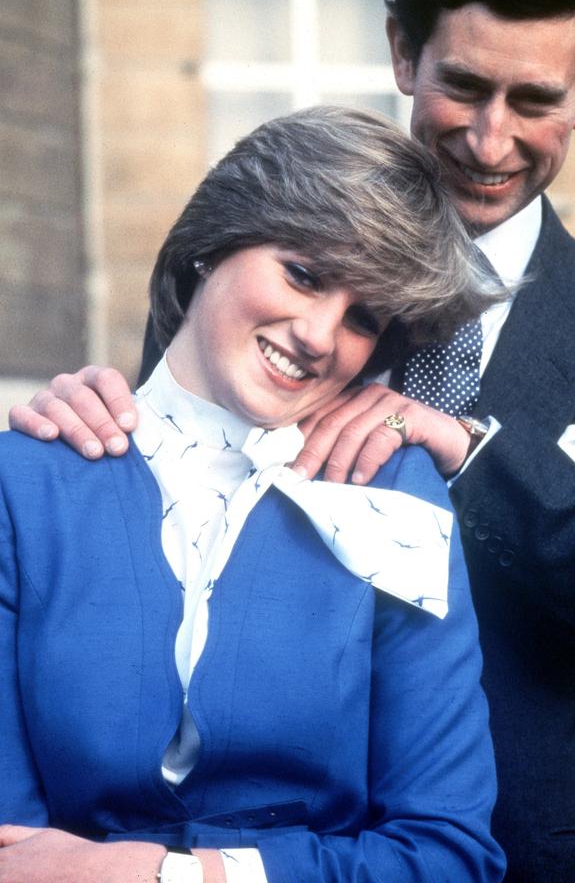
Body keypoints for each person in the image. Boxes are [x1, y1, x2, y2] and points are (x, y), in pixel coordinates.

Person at [10, 0, 575, 881]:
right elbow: (171, 478)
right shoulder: (271, 248)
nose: (487, 139)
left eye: (532, 101)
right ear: (403, 54)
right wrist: (78, 425)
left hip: (509, 852)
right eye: (462, 86)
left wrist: (473, 454)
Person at [0, 107, 506, 883]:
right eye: (303, 274)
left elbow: (446, 853)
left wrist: (172, 877)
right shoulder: (26, 482)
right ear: (213, 245)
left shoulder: (396, 494)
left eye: (363, 317)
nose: (318, 334)